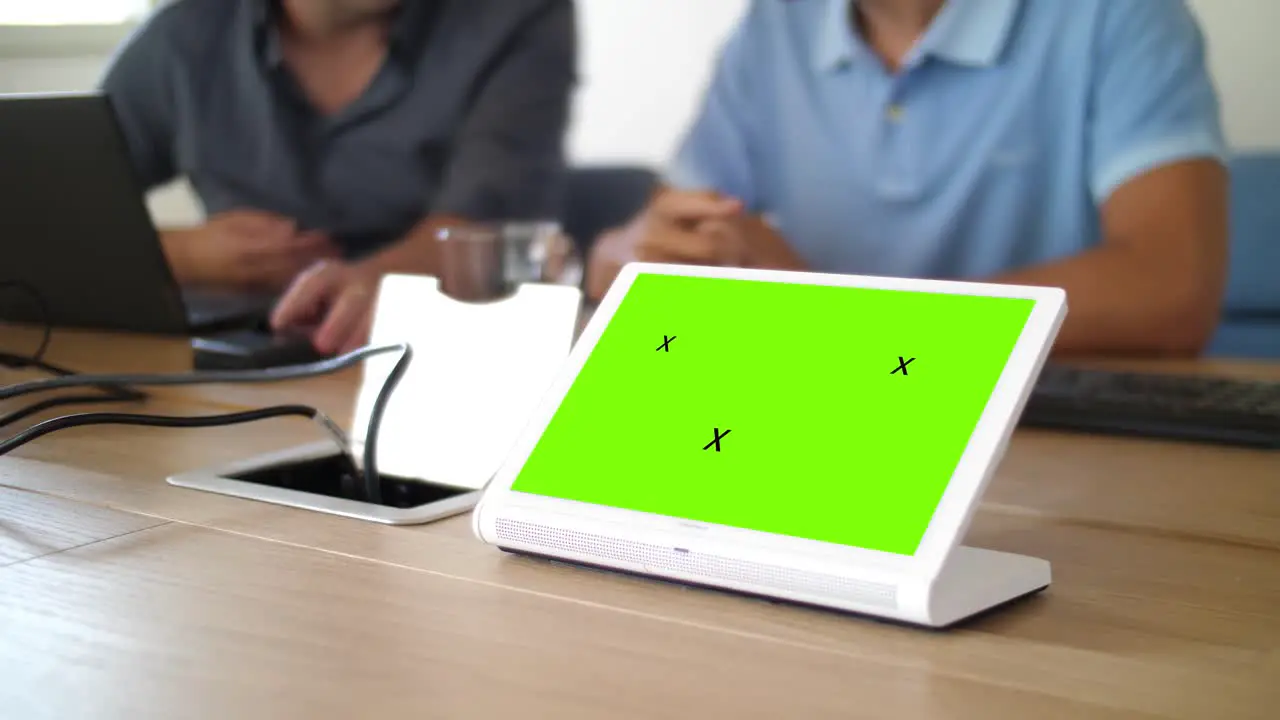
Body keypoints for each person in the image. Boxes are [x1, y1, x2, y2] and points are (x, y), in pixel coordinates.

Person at [587, 0, 1230, 357]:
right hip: (836, 414)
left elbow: (1170, 292)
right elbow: (675, 229)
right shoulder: (772, 28)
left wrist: (832, 311)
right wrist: (635, 252)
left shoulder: (1121, 16)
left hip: (1065, 431)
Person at [101, 0, 576, 353]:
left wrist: (380, 279)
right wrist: (182, 254)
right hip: (237, 362)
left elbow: (492, 230)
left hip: (445, 354)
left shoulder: (515, 16)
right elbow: (56, 219)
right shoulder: (185, 37)